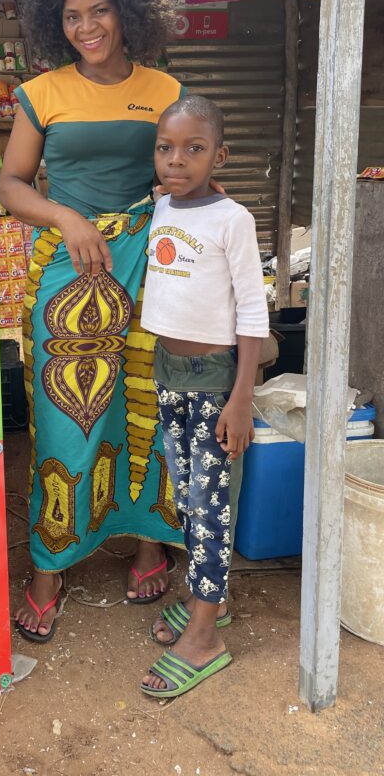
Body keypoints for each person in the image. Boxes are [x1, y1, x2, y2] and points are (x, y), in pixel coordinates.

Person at [0, 0, 193, 643]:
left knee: (148, 403)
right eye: (72, 16)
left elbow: (185, 169)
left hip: (151, 263)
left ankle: (148, 545)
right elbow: (11, 184)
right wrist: (67, 217)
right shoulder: (42, 93)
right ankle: (49, 566)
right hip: (68, 267)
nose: (87, 27)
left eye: (99, 10)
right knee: (63, 414)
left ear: (128, 10)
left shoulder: (165, 91)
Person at [139, 95, 269, 698]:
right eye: (165, 148)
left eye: (194, 148)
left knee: (212, 504)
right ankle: (209, 600)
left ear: (221, 155)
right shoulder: (162, 205)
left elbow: (252, 311)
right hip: (168, 374)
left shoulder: (233, 219)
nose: (176, 159)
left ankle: (204, 636)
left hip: (216, 381)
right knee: (189, 499)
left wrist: (241, 398)